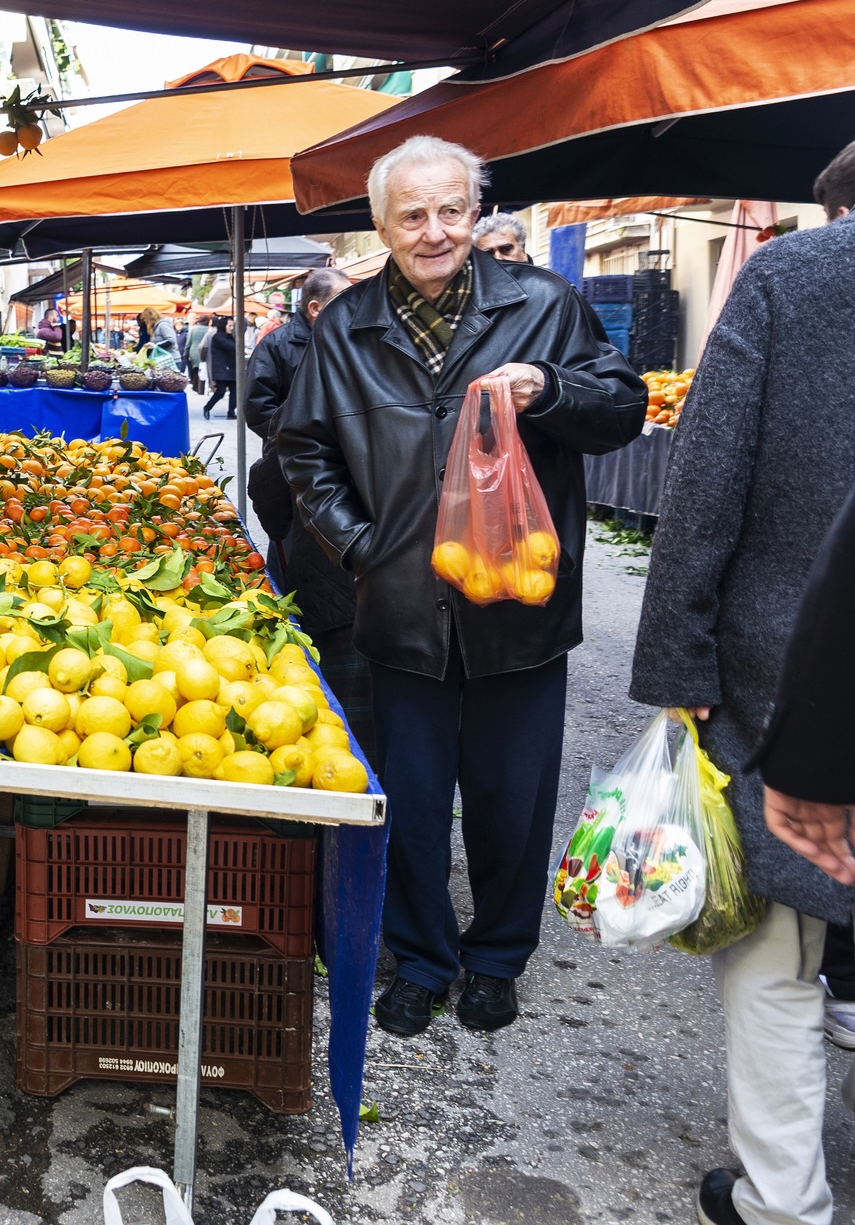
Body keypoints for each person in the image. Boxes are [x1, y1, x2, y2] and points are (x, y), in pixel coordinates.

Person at [278, 135, 644, 1039]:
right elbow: (300, 449)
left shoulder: (545, 305)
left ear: (475, 214)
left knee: (508, 797)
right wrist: (363, 548)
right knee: (405, 793)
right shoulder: (345, 328)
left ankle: (495, 957)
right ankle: (422, 954)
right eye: (412, 214)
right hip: (399, 607)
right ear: (380, 224)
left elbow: (623, 408)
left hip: (517, 603)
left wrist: (550, 387)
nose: (434, 230)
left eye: (451, 210)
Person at [628, 138, 855, 1225]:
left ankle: (781, 1204)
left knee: (776, 951)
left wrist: (679, 667)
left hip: (791, 669)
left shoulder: (791, 276)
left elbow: (703, 486)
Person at [243, 267, 370, 751]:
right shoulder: (281, 347)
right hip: (320, 538)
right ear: (317, 308)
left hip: (342, 552)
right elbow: (260, 411)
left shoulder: (350, 349)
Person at [200, 313, 237, 417]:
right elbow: (231, 347)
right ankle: (207, 407)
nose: (232, 328)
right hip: (221, 368)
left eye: (233, 326)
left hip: (230, 368)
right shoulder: (218, 337)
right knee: (220, 391)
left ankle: (231, 411)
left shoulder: (230, 337)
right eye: (230, 326)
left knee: (235, 392)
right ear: (223, 325)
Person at [185, 310, 214, 392]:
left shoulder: (193, 329)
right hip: (205, 352)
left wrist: (185, 354)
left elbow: (188, 342)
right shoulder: (208, 330)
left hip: (193, 351)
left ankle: (195, 386)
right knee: (203, 369)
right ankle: (201, 388)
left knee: (195, 369)